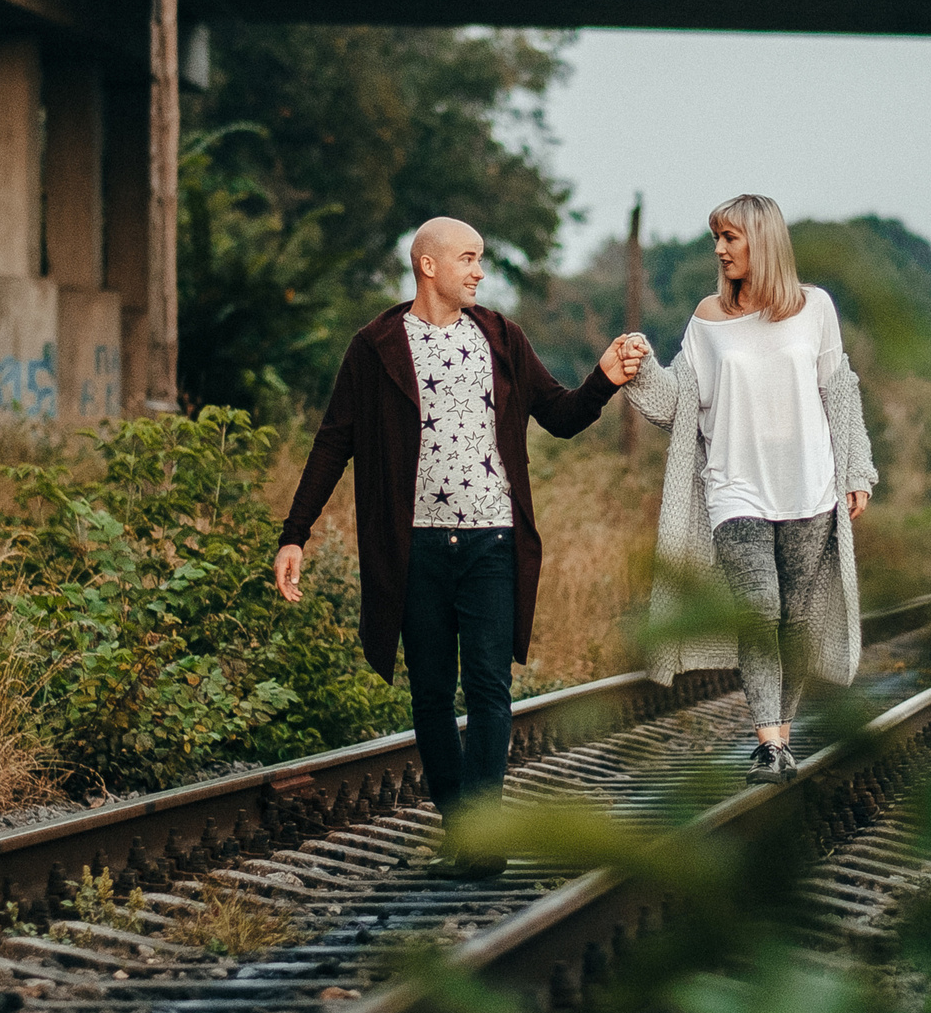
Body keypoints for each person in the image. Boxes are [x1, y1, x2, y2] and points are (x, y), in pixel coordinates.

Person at [274, 217, 650, 878]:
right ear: (428, 266)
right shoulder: (377, 347)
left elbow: (559, 415)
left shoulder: (502, 337)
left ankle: (482, 838)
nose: (479, 271)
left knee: (488, 686)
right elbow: (336, 438)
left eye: (480, 260)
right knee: (430, 696)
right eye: (469, 259)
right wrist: (295, 532)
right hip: (413, 550)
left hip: (491, 542)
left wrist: (604, 378)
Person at [628, 194, 877, 786]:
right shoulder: (708, 319)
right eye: (717, 238)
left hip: (809, 487)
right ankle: (767, 743)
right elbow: (677, 406)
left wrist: (856, 471)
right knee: (758, 612)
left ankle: (783, 737)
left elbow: (839, 392)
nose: (719, 249)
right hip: (733, 490)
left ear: (761, 241)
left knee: (797, 620)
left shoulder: (815, 308)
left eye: (729, 238)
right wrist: (639, 369)